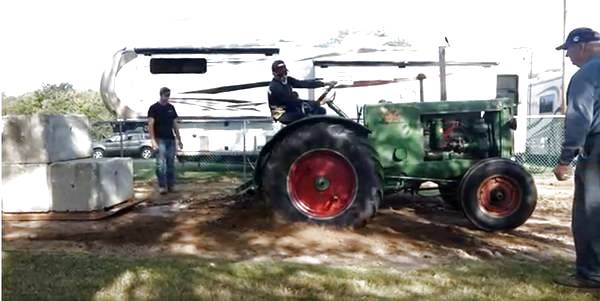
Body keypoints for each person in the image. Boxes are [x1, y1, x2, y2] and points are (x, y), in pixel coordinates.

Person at [553, 27, 600, 288]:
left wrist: (565, 159)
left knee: (590, 213)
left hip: (597, 150)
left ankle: (592, 274)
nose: (567, 56)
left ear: (581, 46)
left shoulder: (586, 75)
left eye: (568, 50)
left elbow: (579, 119)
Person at [267, 60, 334, 124]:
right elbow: (292, 101)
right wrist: (317, 103)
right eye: (280, 74)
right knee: (306, 117)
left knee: (320, 110)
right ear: (274, 74)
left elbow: (302, 83)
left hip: (289, 108)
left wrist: (324, 84)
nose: (283, 76)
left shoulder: (288, 80)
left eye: (285, 73)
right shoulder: (275, 87)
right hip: (280, 113)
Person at [148, 87, 183, 195]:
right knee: (161, 164)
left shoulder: (171, 108)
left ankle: (171, 185)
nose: (167, 98)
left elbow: (175, 124)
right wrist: (153, 140)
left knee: (170, 164)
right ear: (161, 95)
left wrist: (179, 139)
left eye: (168, 95)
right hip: (160, 139)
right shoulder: (154, 108)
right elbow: (150, 124)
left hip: (171, 139)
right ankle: (162, 186)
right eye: (165, 95)